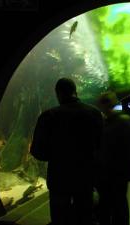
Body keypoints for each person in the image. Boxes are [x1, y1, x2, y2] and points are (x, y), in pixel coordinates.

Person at [30, 78, 103, 225]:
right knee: (85, 217)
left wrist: (57, 155)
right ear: (75, 91)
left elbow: (37, 151)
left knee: (59, 218)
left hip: (59, 178)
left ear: (58, 94)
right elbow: (101, 147)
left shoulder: (48, 116)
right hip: (85, 177)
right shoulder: (95, 114)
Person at [96, 91, 130, 225]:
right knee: (117, 205)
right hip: (114, 173)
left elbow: (125, 150)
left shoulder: (117, 122)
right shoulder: (121, 121)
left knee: (113, 205)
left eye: (101, 104)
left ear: (105, 104)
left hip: (114, 173)